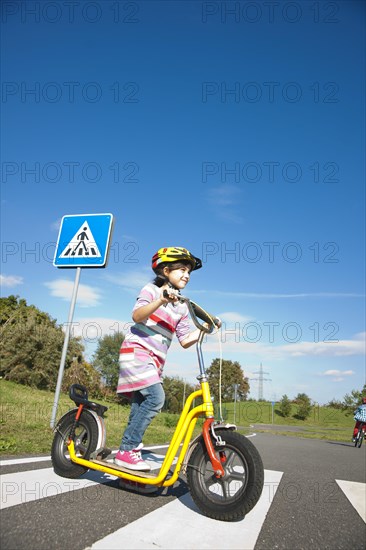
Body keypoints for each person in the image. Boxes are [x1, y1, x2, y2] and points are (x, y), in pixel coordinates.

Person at [114, 246, 218, 471]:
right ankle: (127, 451)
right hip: (137, 352)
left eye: (189, 271)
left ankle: (127, 451)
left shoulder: (180, 306)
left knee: (140, 404)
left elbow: (185, 340)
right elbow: (137, 315)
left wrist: (205, 328)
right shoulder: (151, 290)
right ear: (165, 270)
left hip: (155, 360)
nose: (187, 275)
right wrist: (161, 299)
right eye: (182, 269)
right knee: (156, 398)